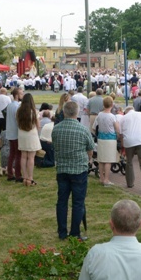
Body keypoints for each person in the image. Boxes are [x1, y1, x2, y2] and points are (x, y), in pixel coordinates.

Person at [53, 101, 95, 240]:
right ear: (77, 113)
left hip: (62, 169)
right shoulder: (83, 130)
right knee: (78, 202)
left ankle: (62, 232)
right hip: (78, 170)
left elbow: (55, 146)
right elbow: (90, 149)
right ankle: (75, 232)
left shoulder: (56, 129)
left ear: (64, 112)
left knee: (62, 201)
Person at [120, 106, 141, 190]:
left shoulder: (123, 118)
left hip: (128, 141)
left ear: (126, 112)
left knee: (129, 162)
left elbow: (121, 133)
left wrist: (122, 144)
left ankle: (130, 183)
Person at [93, 96, 121, 187]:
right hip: (110, 139)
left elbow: (94, 128)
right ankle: (106, 179)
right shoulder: (112, 116)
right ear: (112, 105)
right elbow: (117, 129)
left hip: (101, 138)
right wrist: (118, 136)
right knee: (108, 160)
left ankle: (101, 178)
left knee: (101, 159)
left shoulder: (99, 115)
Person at [16, 93, 42, 186]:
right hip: (31, 134)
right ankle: (30, 178)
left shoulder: (19, 111)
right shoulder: (34, 111)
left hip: (22, 134)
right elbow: (38, 125)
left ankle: (25, 177)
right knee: (31, 157)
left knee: (23, 156)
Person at [5, 87, 24, 182]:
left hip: (10, 131)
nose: (22, 95)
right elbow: (18, 120)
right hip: (16, 132)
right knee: (18, 154)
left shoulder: (9, 105)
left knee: (12, 154)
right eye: (21, 93)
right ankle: (18, 175)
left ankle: (10, 173)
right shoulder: (17, 106)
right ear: (17, 95)